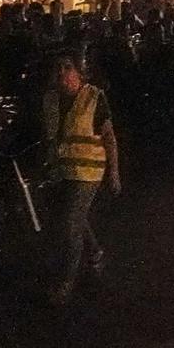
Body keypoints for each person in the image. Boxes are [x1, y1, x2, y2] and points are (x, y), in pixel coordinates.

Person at [41, 51, 120, 305]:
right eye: (58, 68)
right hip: (64, 170)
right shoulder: (51, 100)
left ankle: (67, 281)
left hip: (88, 170)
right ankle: (95, 252)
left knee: (71, 223)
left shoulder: (94, 97)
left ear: (79, 71)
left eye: (67, 67)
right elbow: (51, 138)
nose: (62, 73)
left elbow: (109, 137)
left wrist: (114, 173)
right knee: (76, 216)